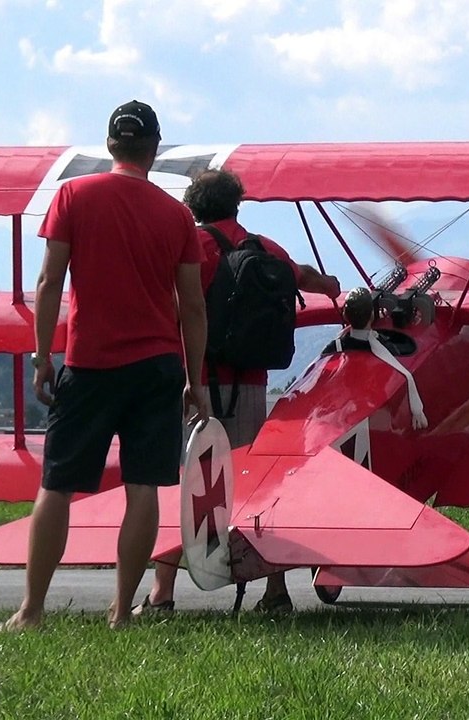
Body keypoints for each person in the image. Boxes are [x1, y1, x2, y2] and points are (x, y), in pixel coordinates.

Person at [0, 100, 210, 631]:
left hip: (89, 362)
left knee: (58, 484)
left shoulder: (73, 194)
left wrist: (44, 355)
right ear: (154, 149)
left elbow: (49, 282)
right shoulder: (177, 215)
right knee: (143, 487)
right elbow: (193, 305)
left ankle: (32, 611)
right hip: (157, 364)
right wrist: (196, 380)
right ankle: (121, 612)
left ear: (110, 146)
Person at [136, 167, 340, 616]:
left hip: (196, 384)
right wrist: (328, 286)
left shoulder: (191, 246)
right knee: (256, 491)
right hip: (250, 385)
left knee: (182, 486)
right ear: (237, 204)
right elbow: (300, 273)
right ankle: (275, 591)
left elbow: (171, 303)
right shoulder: (264, 247)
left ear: (192, 207)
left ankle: (161, 592)